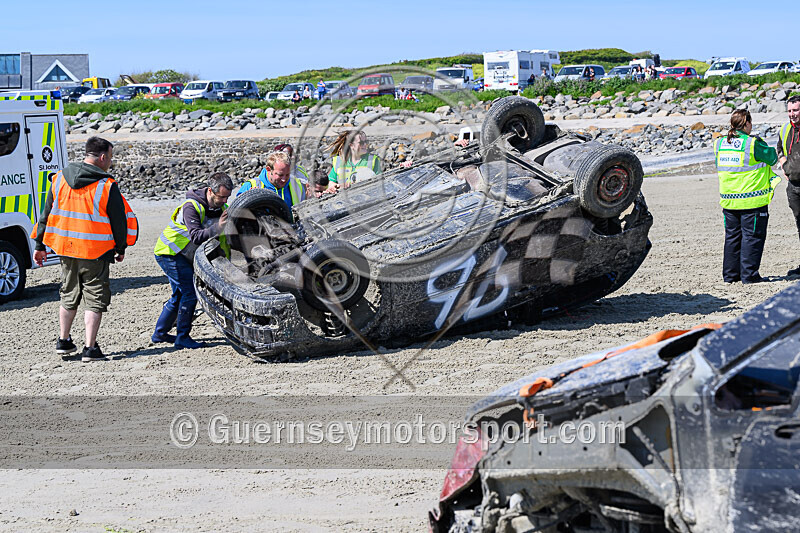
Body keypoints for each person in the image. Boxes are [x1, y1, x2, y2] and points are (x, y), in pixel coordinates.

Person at [32, 136, 137, 362]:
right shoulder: (106, 185)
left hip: (65, 249)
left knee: (68, 294)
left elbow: (45, 214)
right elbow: (118, 221)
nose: (110, 162)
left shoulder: (59, 178)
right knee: (95, 298)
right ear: (102, 157)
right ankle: (90, 348)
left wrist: (39, 245)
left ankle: (63, 340)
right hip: (95, 251)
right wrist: (121, 248)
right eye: (110, 157)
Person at [153, 173, 232, 349]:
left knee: (179, 294)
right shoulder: (191, 206)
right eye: (221, 197)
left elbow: (223, 238)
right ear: (210, 191)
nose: (224, 200)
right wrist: (218, 227)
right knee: (189, 293)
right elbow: (196, 236)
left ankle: (160, 333)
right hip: (170, 252)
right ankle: (182, 337)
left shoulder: (222, 208)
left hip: (182, 254)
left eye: (227, 197)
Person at [715, 109, 780, 284]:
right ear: (747, 124)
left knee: (732, 238)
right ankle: (749, 276)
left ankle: (730, 276)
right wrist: (761, 142)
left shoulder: (720, 143)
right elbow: (772, 158)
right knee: (752, 237)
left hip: (729, 200)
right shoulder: (752, 143)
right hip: (752, 200)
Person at [235, 150, 306, 208]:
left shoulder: (297, 185)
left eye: (287, 174)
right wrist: (249, 202)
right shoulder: (250, 186)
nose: (284, 179)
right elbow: (235, 215)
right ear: (269, 169)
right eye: (280, 175)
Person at [778, 95, 800, 276]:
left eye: (796, 110)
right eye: (790, 111)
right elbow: (779, 149)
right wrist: (784, 165)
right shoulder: (786, 129)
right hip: (793, 186)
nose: (792, 114)